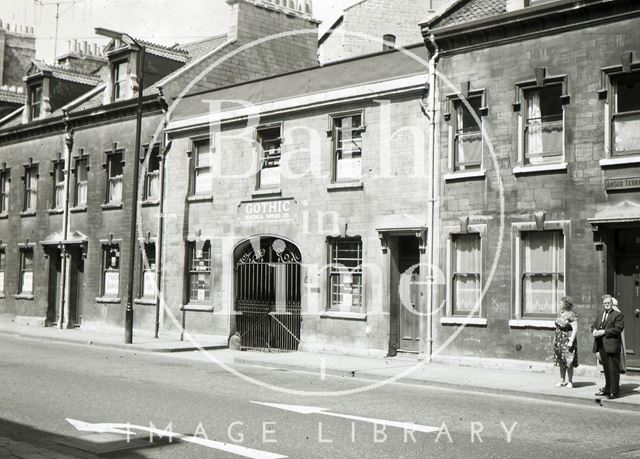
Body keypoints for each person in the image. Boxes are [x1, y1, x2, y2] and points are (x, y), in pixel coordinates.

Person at [592, 294, 625, 399]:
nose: (607, 305)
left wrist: (603, 331)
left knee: (613, 369)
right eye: (605, 303)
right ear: (603, 304)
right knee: (606, 369)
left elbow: (618, 329)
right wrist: (594, 330)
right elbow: (594, 325)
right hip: (602, 345)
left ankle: (614, 392)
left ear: (612, 303)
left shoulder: (618, 315)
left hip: (612, 345)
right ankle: (607, 389)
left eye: (608, 303)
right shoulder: (601, 313)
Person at [553, 296, 578, 388]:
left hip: (568, 340)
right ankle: (562, 380)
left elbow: (575, 329)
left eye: (561, 303)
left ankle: (570, 381)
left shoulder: (571, 315)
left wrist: (571, 341)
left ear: (566, 304)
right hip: (559, 340)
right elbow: (557, 327)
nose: (559, 304)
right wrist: (555, 339)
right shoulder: (560, 313)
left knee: (569, 361)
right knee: (561, 360)